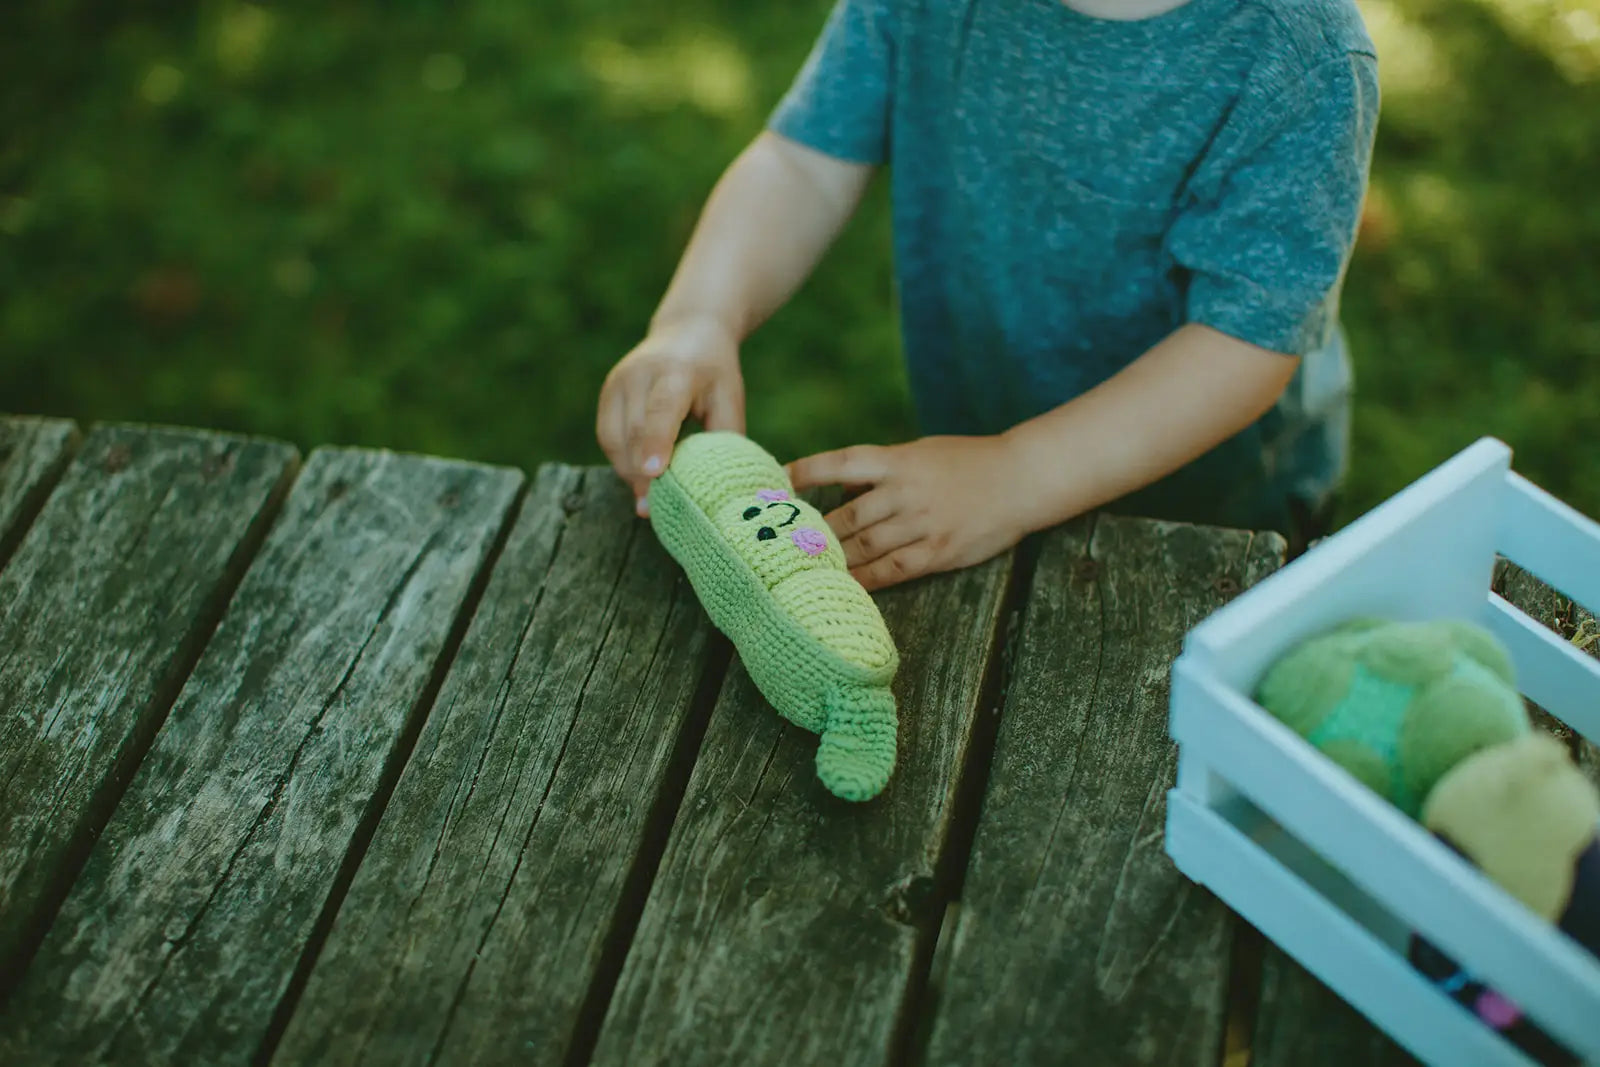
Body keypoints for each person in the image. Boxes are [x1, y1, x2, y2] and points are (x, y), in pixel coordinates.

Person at [596, 0, 1380, 590]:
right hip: (978, 456)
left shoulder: (1297, 52)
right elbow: (805, 161)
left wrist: (1016, 474)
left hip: (1208, 516)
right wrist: (698, 316)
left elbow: (1244, 338)